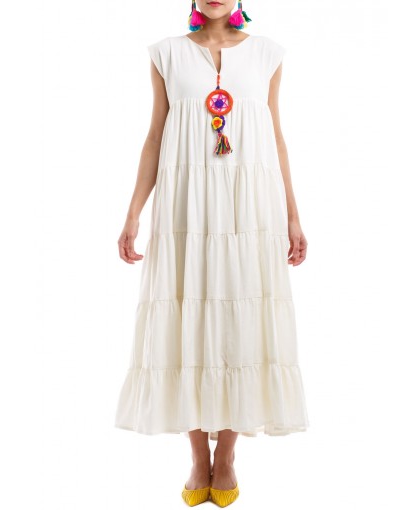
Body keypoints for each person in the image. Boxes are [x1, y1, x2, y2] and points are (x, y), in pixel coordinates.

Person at [115, 0, 310, 506]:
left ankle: (226, 456)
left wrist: (292, 216)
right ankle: (197, 456)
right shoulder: (166, 54)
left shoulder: (268, 54)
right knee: (187, 320)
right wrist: (134, 212)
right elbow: (154, 137)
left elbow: (277, 140)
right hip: (187, 209)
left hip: (249, 213)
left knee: (240, 324)